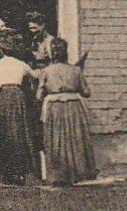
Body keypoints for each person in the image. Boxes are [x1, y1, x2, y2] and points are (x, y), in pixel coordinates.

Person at [0, 35, 38, 184]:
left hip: (3, 95)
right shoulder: (21, 64)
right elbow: (35, 75)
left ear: (1, 49)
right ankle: (20, 170)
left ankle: (6, 170)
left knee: (3, 130)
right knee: (17, 130)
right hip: (17, 95)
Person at [38, 38, 98, 186]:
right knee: (74, 137)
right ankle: (76, 172)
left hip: (54, 107)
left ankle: (59, 175)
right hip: (73, 107)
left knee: (56, 139)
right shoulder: (76, 70)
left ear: (52, 53)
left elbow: (39, 96)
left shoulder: (45, 71)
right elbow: (86, 92)